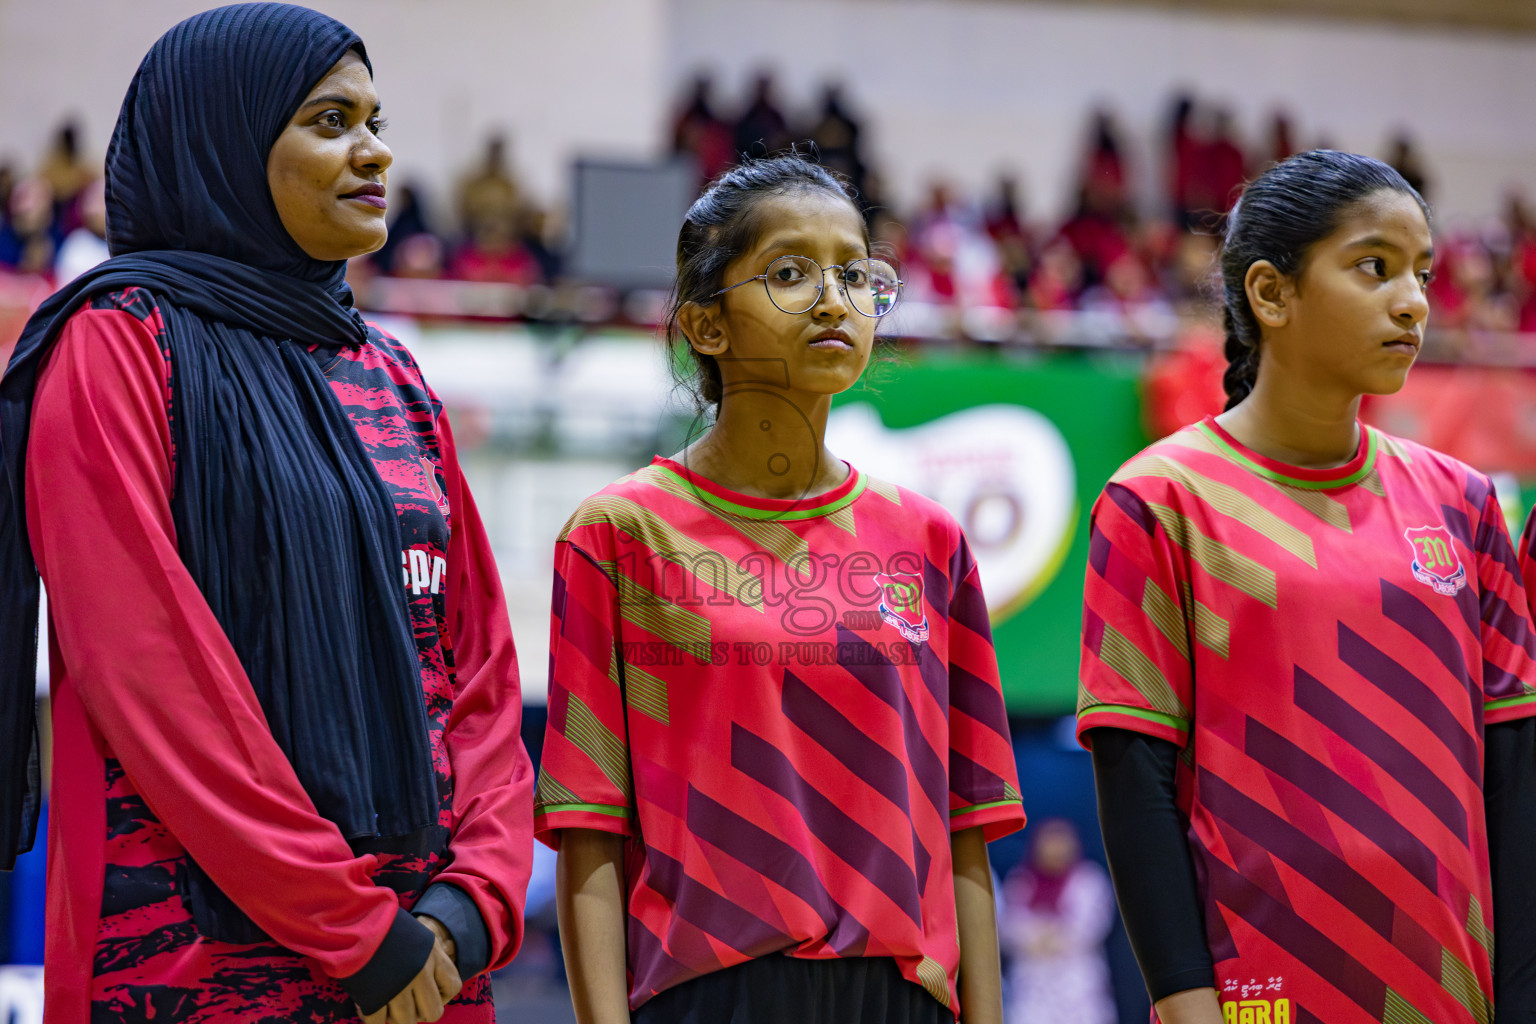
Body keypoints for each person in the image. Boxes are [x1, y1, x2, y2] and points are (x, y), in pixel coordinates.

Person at [0, 5, 534, 1021]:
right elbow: (148, 671)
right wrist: (357, 930)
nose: (376, 150)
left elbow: (480, 676)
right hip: (197, 965)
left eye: (377, 119)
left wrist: (473, 906)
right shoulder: (120, 344)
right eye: (331, 121)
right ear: (225, 142)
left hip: (430, 962)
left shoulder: (395, 374)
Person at [536, 153, 1025, 1024]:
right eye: (792, 273)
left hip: (902, 1000)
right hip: (706, 997)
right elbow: (589, 832)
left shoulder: (932, 541)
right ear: (706, 327)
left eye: (855, 272)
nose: (834, 297)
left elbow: (968, 826)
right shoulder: (618, 537)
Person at [1078, 149, 1536, 1024]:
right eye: (1374, 267)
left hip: (1457, 1001)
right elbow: (1135, 785)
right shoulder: (1156, 503)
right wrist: (1186, 1006)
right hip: (1263, 1000)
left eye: (1423, 274)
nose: (1413, 300)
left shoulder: (1469, 505)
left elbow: (1517, 780)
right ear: (1271, 293)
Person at [999, 819, 1115, 1024]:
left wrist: (1045, 932)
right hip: (1031, 987)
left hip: (1078, 985)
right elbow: (1007, 927)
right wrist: (1044, 933)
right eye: (1049, 841)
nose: (1054, 848)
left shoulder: (1089, 878)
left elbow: (1090, 928)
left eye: (1060, 840)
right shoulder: (1021, 879)